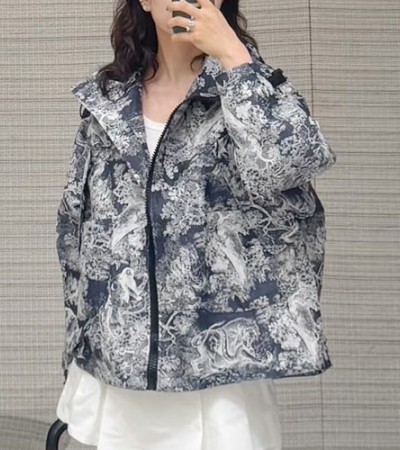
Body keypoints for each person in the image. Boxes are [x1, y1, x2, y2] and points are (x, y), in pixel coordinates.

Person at [55, 0, 337, 448]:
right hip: (121, 360)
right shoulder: (107, 103)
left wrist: (234, 58)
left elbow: (293, 163)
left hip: (218, 366)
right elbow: (78, 230)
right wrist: (81, 338)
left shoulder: (250, 89)